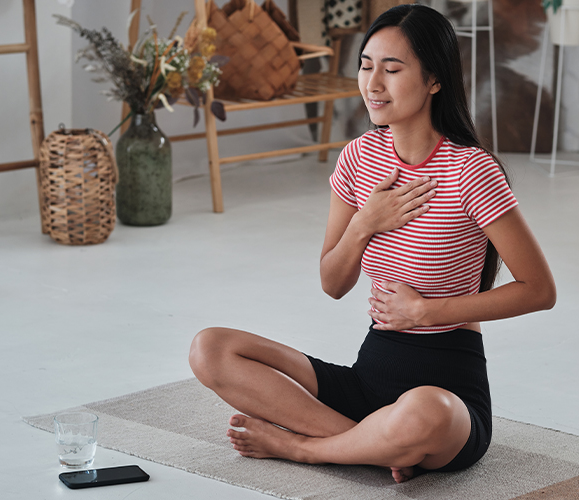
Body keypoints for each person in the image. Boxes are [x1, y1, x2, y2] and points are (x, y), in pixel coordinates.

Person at [188, 4, 555, 484]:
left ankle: (307, 449)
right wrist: (364, 224)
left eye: (392, 68)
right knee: (210, 348)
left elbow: (539, 289)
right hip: (368, 376)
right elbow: (332, 283)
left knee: (425, 412)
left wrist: (425, 313)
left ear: (434, 80)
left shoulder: (471, 171)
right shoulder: (359, 158)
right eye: (366, 65)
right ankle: (374, 445)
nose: (373, 83)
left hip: (447, 397)